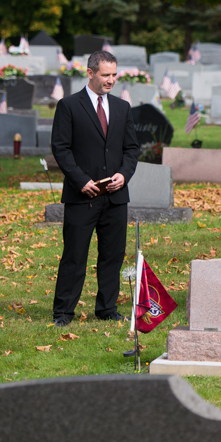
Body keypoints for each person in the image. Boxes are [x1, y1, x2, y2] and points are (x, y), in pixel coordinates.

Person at [51, 50, 140, 327]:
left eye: (114, 75)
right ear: (90, 73)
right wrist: (81, 181)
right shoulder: (69, 106)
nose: (111, 80)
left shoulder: (122, 108)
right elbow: (61, 148)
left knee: (112, 256)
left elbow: (132, 148)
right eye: (105, 75)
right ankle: (64, 312)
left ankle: (107, 308)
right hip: (82, 196)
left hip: (115, 197)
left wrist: (123, 175)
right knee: (75, 255)